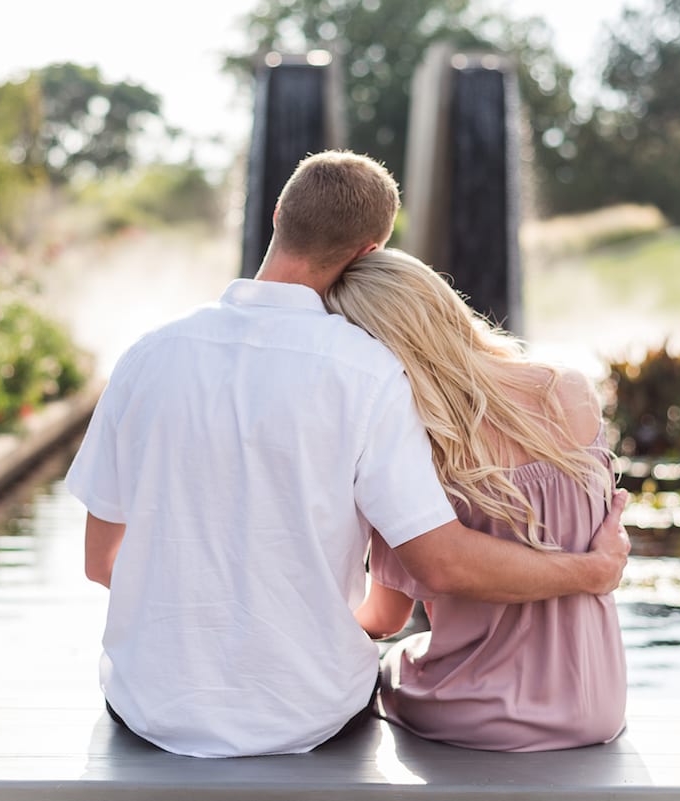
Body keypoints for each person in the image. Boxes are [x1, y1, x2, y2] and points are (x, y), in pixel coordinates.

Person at [65, 150, 629, 758]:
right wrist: (590, 571)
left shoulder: (145, 357)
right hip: (311, 713)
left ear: (278, 213)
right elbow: (439, 565)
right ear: (370, 251)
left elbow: (102, 563)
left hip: (149, 708)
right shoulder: (369, 373)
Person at [324, 248, 627, 752]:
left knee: (387, 669)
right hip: (597, 701)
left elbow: (385, 618)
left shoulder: (416, 448)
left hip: (484, 709)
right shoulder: (567, 388)